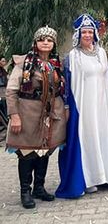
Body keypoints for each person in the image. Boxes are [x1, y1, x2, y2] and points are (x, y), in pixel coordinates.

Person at [57, 14, 108, 198]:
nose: (87, 35)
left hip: (102, 105)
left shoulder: (102, 53)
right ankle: (88, 180)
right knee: (87, 138)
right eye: (84, 32)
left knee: (103, 136)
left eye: (90, 31)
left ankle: (106, 176)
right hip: (83, 105)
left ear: (95, 33)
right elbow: (67, 85)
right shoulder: (73, 56)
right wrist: (69, 107)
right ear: (79, 34)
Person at [6, 26, 66, 209]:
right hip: (28, 112)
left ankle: (39, 187)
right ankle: (25, 191)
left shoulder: (57, 64)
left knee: (44, 150)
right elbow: (11, 91)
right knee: (26, 153)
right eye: (42, 40)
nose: (45, 43)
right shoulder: (24, 63)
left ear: (53, 43)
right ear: (36, 43)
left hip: (51, 113)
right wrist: (14, 116)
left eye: (49, 40)